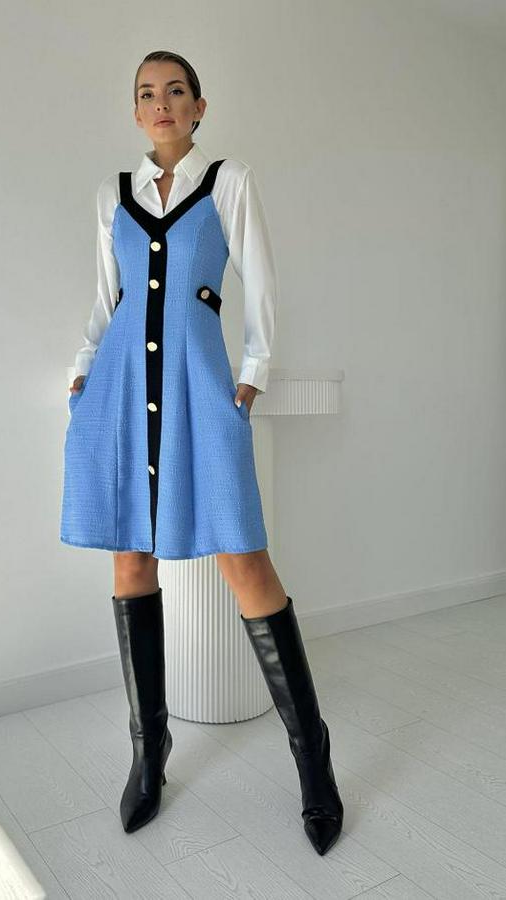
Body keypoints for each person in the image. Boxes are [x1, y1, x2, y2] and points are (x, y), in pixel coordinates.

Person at [60, 49, 343, 856]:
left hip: (199, 383)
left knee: (243, 561)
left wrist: (253, 372)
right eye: (146, 93)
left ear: (198, 106)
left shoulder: (227, 182)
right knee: (130, 560)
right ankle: (149, 749)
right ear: (135, 110)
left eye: (175, 91)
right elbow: (107, 298)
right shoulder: (112, 195)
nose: (161, 103)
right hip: (119, 386)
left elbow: (260, 280)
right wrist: (83, 371)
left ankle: (312, 760)